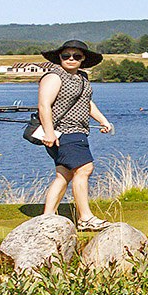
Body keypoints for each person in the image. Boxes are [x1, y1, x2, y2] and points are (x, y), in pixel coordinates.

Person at [35, 39, 113, 230]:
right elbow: (44, 105)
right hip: (64, 132)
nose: (71, 59)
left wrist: (103, 120)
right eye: (66, 55)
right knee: (84, 169)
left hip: (78, 131)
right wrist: (50, 132)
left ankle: (47, 217)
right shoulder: (54, 77)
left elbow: (87, 103)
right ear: (59, 57)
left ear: (83, 59)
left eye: (76, 56)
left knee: (64, 174)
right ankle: (85, 218)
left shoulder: (82, 78)